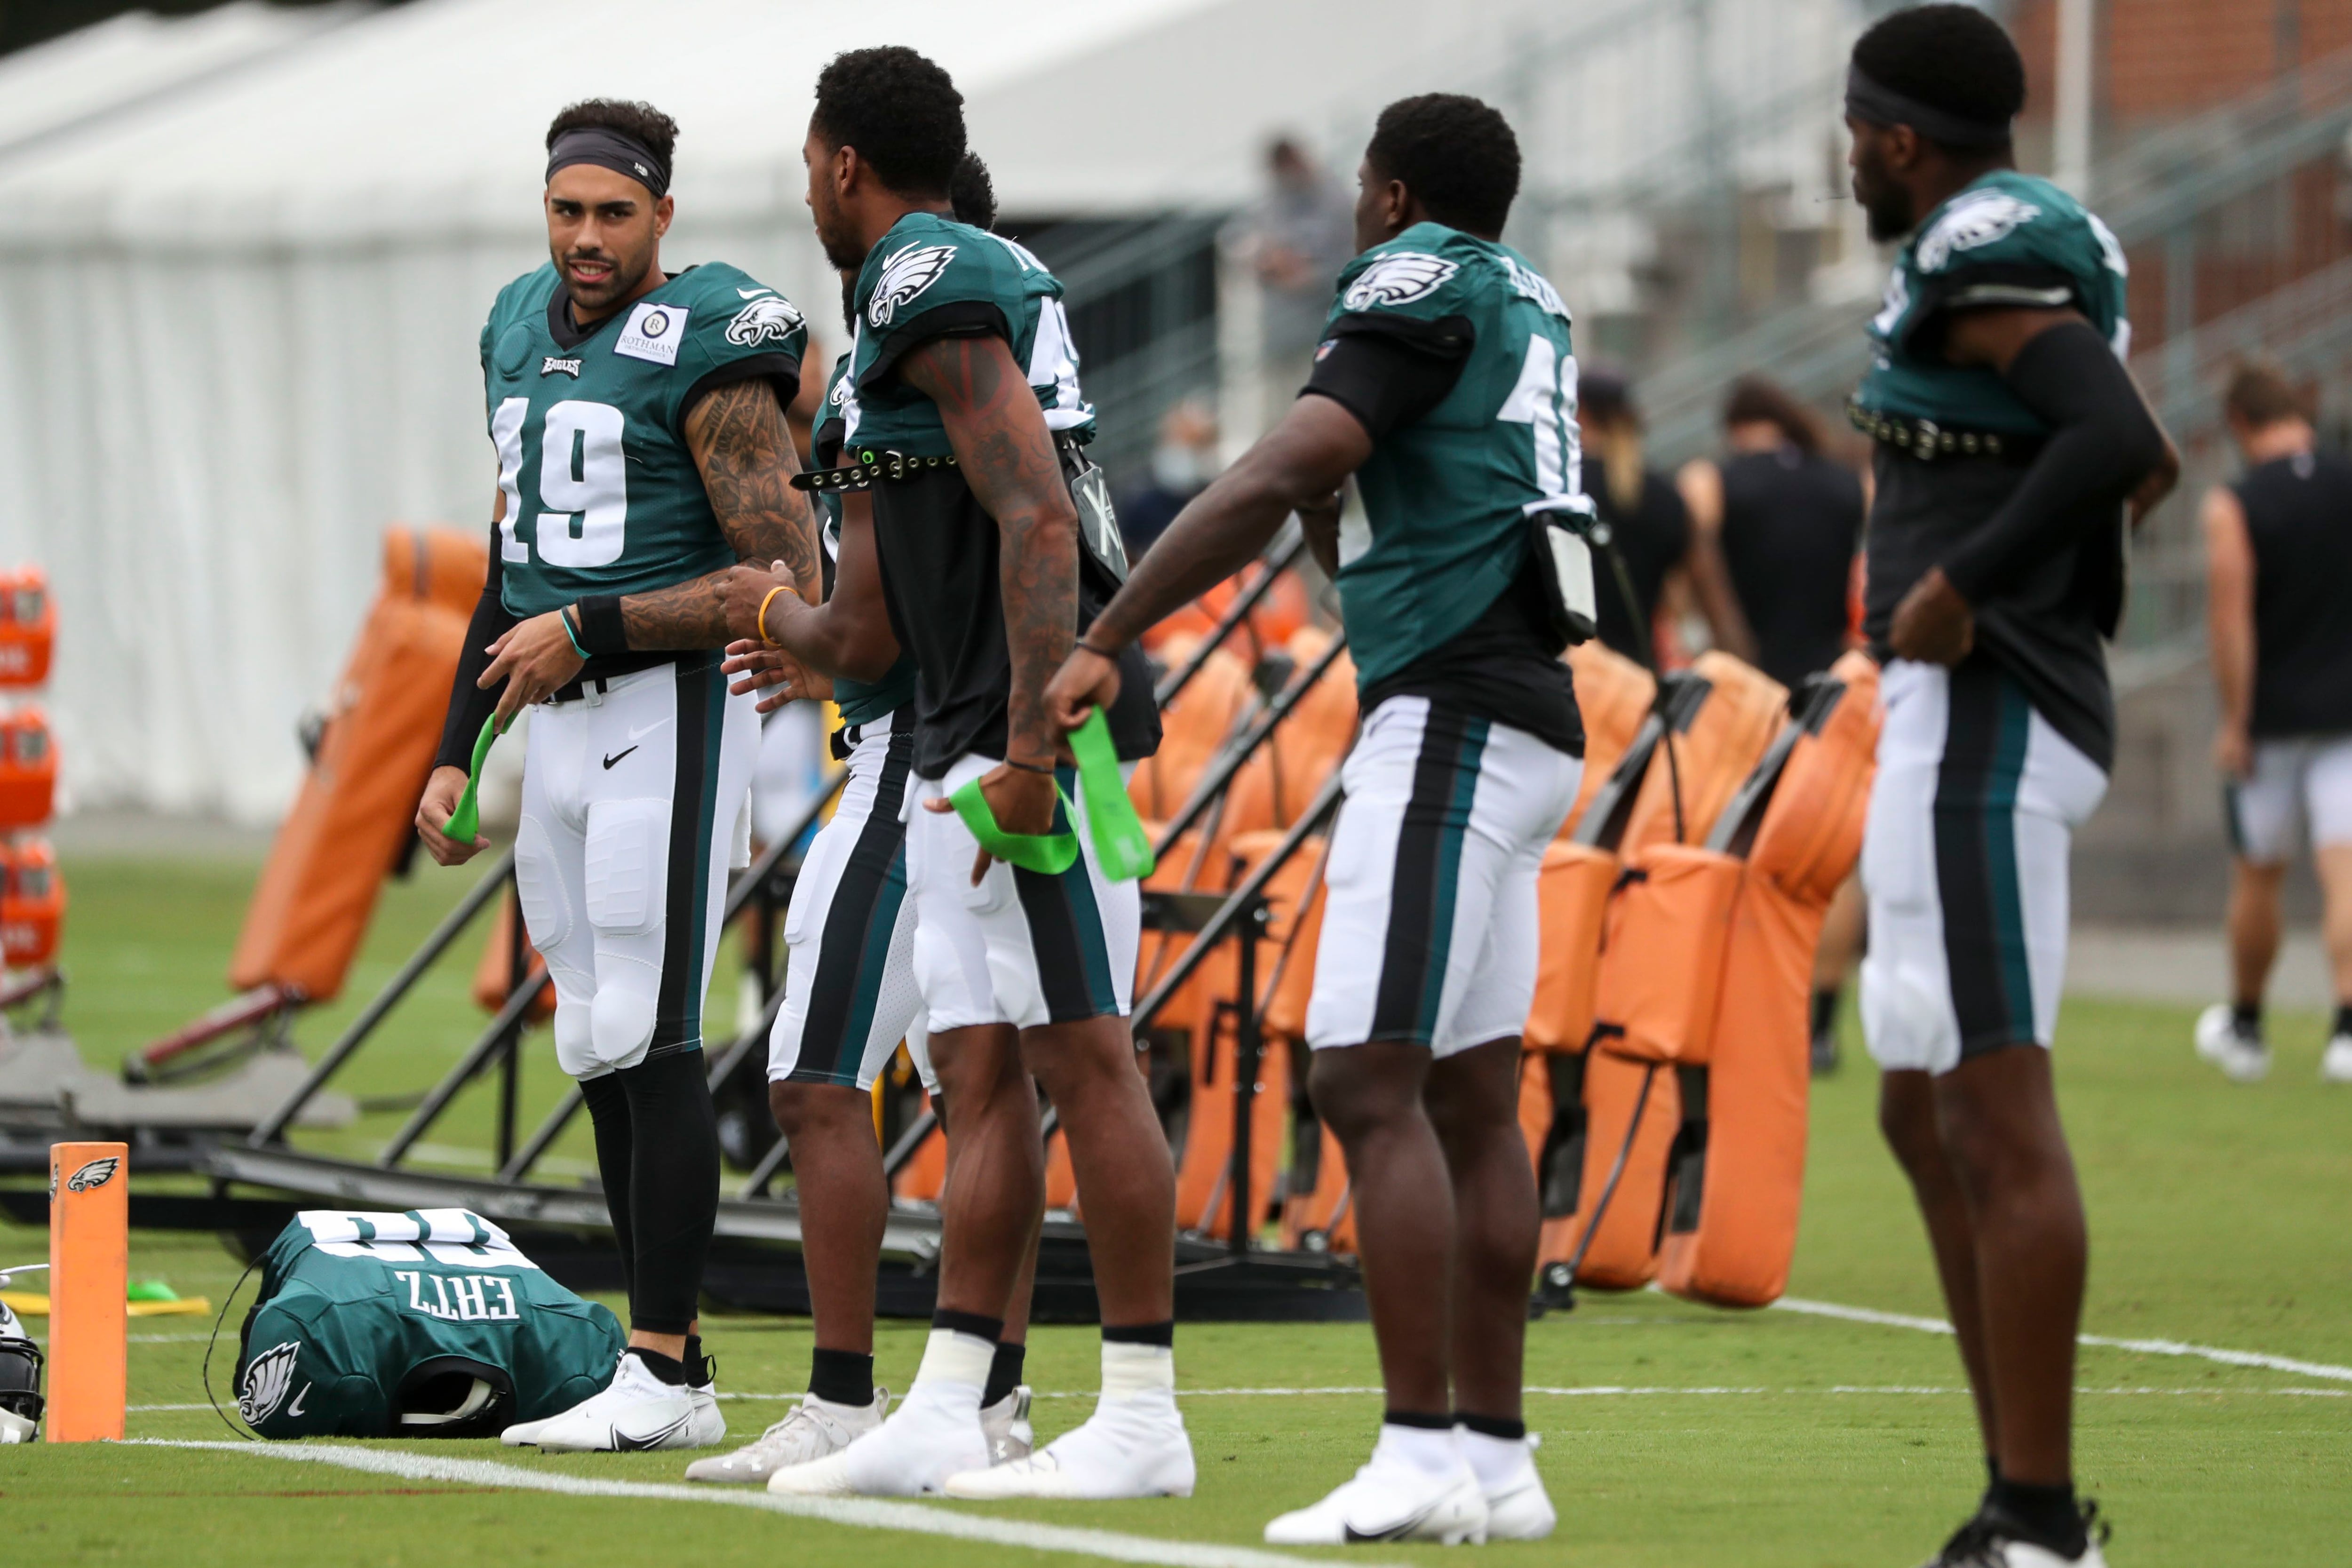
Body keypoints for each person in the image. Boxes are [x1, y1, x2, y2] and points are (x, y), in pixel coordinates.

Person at [1048, 92, 1576, 1546]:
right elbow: (1375, 498)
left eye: (1360, 189)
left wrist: (1115, 627)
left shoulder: (1413, 277)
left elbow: (1286, 465)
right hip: (1524, 712)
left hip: (1455, 719)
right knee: (1468, 1099)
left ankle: (1417, 1453)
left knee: (1362, 1078)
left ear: (1392, 197)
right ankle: (1495, 1457)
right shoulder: (1528, 297)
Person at [725, 46, 1188, 1502]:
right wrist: (772, 612)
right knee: (977, 1069)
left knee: (1082, 1057)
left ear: (843, 163)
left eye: (810, 164)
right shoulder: (903, 308)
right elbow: (863, 621)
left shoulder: (930, 272)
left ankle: (1138, 1411)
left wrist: (1038, 747)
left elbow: (1038, 516)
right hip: (938, 729)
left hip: (1011, 730)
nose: (808, 188)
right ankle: (946, 1396)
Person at [413, 98, 821, 1452]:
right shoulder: (514, 322)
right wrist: (448, 754)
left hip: (667, 706)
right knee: (592, 1034)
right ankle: (677, 1358)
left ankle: (657, 1363)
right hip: (556, 725)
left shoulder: (711, 336)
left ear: (662, 215)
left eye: (615, 213)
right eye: (567, 209)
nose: (586, 238)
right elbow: (507, 569)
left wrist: (592, 626)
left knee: (654, 1032)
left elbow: (787, 577)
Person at [1843, 8, 2176, 1565]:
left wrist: (1966, 580)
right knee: (1922, 1104)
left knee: (1993, 1108)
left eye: (1856, 131)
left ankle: (2040, 1519)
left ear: (1901, 139)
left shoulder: (1979, 245)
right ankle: (2011, 1493)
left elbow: (2108, 426)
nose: (1845, 156)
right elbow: (2118, 432)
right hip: (1956, 706)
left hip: (1990, 706)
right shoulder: (2020, 236)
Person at [685, 151, 1042, 1488]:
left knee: (821, 1074)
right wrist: (828, 641)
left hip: (922, 753)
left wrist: (779, 616)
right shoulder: (1009, 348)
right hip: (984, 735)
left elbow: (883, 619)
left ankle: (850, 1397)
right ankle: (991, 1399)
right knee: (987, 1079)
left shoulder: (912, 346)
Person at [1677, 375, 1868, 1073]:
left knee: (1735, 848)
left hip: (1747, 693)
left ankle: (1740, 1009)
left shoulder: (1714, 481)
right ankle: (1820, 1026)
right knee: (1833, 861)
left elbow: (1689, 557)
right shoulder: (1849, 483)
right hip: (1828, 691)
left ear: (1735, 427)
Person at [2193, 360, 2352, 1086]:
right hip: (2346, 712)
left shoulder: (2234, 504)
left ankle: (2248, 1026)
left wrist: (2235, 719)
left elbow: (2231, 623)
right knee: (2344, 870)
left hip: (2274, 717)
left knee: (2259, 876)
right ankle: (2347, 1031)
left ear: (2240, 425)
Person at [1579, 367, 1748, 667]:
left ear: (1579, 412)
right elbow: (1718, 608)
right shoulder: (1666, 498)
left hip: (1570, 681)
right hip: (1640, 686)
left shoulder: (1559, 492)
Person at [1232, 137, 1358, 432]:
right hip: (1279, 331)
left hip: (1323, 330)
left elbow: (1350, 262)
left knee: (1318, 418)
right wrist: (1266, 259)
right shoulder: (1271, 201)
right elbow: (1242, 243)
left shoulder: (1335, 201)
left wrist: (1305, 274)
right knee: (1277, 419)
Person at [1116, 398, 1220, 560]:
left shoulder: (1215, 499)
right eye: (1182, 440)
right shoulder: (1141, 502)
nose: (1187, 450)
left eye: (1199, 443)